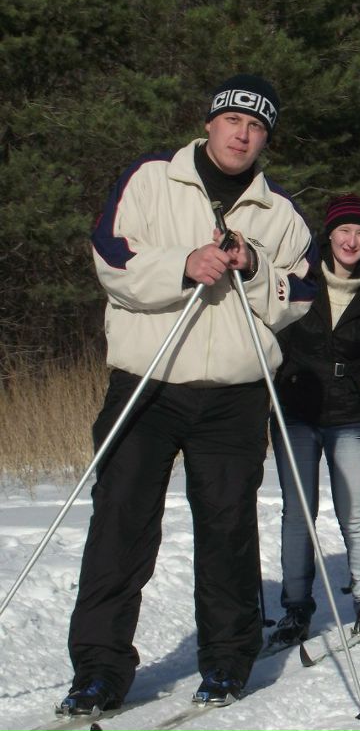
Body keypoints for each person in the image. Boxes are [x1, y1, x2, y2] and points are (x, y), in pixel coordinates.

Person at [62, 74, 317, 715]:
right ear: (209, 123)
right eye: (234, 120)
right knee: (120, 523)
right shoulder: (151, 179)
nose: (243, 134)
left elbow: (303, 295)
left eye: (257, 127)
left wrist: (255, 267)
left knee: (228, 529)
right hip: (146, 384)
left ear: (266, 140)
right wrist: (184, 264)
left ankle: (228, 662)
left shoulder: (278, 212)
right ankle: (98, 671)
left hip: (232, 394)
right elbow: (111, 259)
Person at [267, 195, 360, 649]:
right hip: (298, 407)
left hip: (349, 412)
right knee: (298, 515)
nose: (352, 240)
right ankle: (296, 610)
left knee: (354, 514)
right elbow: (275, 328)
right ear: (329, 235)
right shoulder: (299, 275)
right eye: (345, 231)